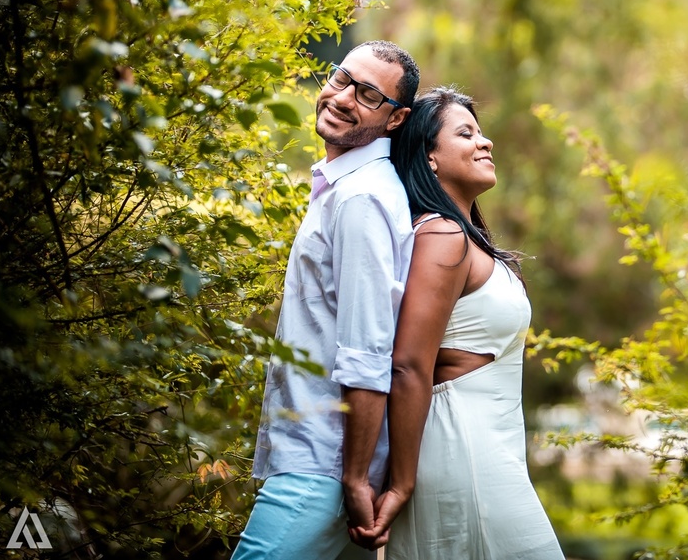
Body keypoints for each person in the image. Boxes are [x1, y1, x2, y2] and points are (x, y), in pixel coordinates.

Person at [352, 86, 564, 559]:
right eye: (466, 133)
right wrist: (402, 483)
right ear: (429, 158)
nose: (484, 142)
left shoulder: (462, 237)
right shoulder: (442, 235)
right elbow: (408, 364)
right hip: (462, 450)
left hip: (488, 449)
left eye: (481, 131)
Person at [232, 41, 419, 560]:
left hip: (326, 467)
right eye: (341, 79)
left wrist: (356, 477)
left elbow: (367, 350)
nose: (341, 97)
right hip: (317, 461)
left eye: (367, 94)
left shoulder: (361, 198)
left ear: (396, 118)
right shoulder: (344, 188)